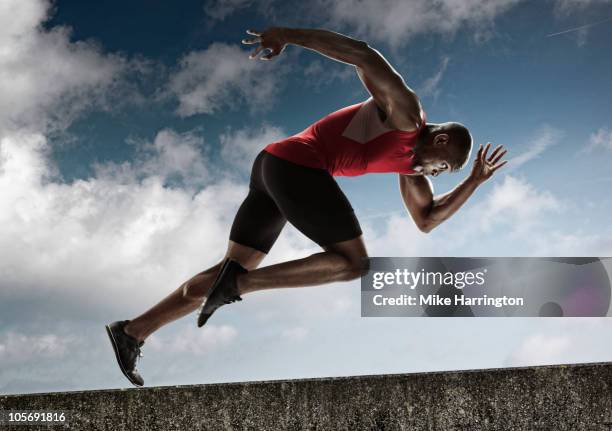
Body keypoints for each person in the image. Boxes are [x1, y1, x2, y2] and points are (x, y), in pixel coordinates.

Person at [106, 27, 508, 387]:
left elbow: (426, 219)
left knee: (228, 268)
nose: (437, 174)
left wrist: (473, 181)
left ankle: (133, 331)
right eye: (444, 167)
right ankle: (235, 287)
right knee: (354, 264)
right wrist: (286, 34)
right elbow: (363, 55)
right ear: (440, 142)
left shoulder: (409, 170)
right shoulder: (406, 114)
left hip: (272, 167)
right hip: (296, 166)